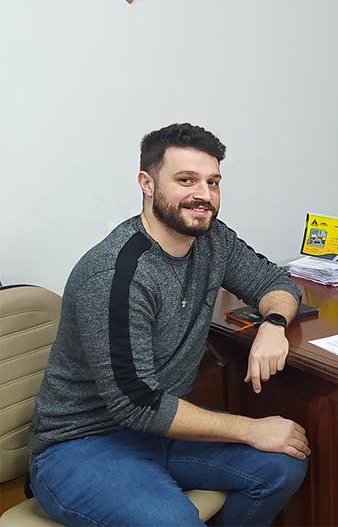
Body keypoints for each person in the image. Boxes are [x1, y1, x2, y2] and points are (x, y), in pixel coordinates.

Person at [29, 123, 311, 526]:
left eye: (213, 182)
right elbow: (138, 404)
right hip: (80, 445)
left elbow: (275, 283)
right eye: (186, 180)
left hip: (160, 429)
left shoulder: (212, 240)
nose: (204, 195)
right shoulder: (116, 275)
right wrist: (250, 429)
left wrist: (274, 322)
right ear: (147, 183)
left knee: (283, 464)